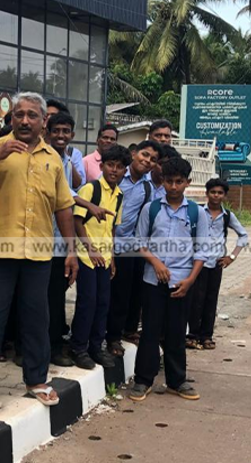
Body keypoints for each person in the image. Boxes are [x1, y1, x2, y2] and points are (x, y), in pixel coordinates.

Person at [0, 92, 78, 409]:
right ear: (11, 119)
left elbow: (63, 207)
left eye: (32, 115)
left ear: (44, 121)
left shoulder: (53, 158)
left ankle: (36, 379)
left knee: (37, 319)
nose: (25, 120)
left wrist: (71, 250)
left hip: (38, 254)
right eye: (19, 115)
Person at [129, 157, 210, 402]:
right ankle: (143, 380)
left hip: (182, 284)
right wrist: (156, 263)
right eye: (169, 181)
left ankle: (177, 381)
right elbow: (139, 242)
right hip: (153, 282)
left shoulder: (197, 212)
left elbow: (202, 251)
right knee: (150, 331)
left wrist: (190, 281)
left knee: (176, 332)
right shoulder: (151, 209)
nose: (173, 187)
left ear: (188, 182)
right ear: (162, 181)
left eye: (179, 182)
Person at [43, 112, 112, 367]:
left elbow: (67, 190)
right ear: (47, 132)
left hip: (62, 240)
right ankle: (35, 348)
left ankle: (54, 346)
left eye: (65, 131)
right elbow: (63, 193)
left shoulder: (65, 159)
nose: (61, 135)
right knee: (41, 298)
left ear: (72, 135)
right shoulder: (45, 157)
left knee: (56, 297)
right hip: (43, 239)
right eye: (56, 131)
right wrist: (89, 204)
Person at [69, 145, 130, 369]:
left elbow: (112, 228)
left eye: (119, 167)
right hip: (87, 256)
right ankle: (78, 347)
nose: (114, 170)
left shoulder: (119, 195)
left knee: (103, 303)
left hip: (104, 257)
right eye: (110, 165)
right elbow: (77, 221)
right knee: (88, 302)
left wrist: (111, 258)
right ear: (102, 166)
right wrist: (91, 249)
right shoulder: (90, 189)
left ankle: (96, 347)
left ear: (124, 171)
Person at [105, 140, 161, 356]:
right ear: (134, 153)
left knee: (123, 294)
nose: (147, 161)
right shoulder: (117, 174)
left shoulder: (148, 188)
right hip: (102, 243)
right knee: (99, 295)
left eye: (153, 159)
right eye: (145, 155)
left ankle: (114, 337)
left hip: (127, 247)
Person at [187, 179, 248, 350]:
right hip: (197, 263)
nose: (216, 195)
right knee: (195, 300)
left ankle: (206, 336)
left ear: (225, 195)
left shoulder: (227, 216)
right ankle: (192, 335)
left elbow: (243, 235)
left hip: (215, 264)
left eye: (220, 193)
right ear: (207, 194)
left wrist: (232, 257)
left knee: (210, 300)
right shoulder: (198, 212)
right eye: (213, 192)